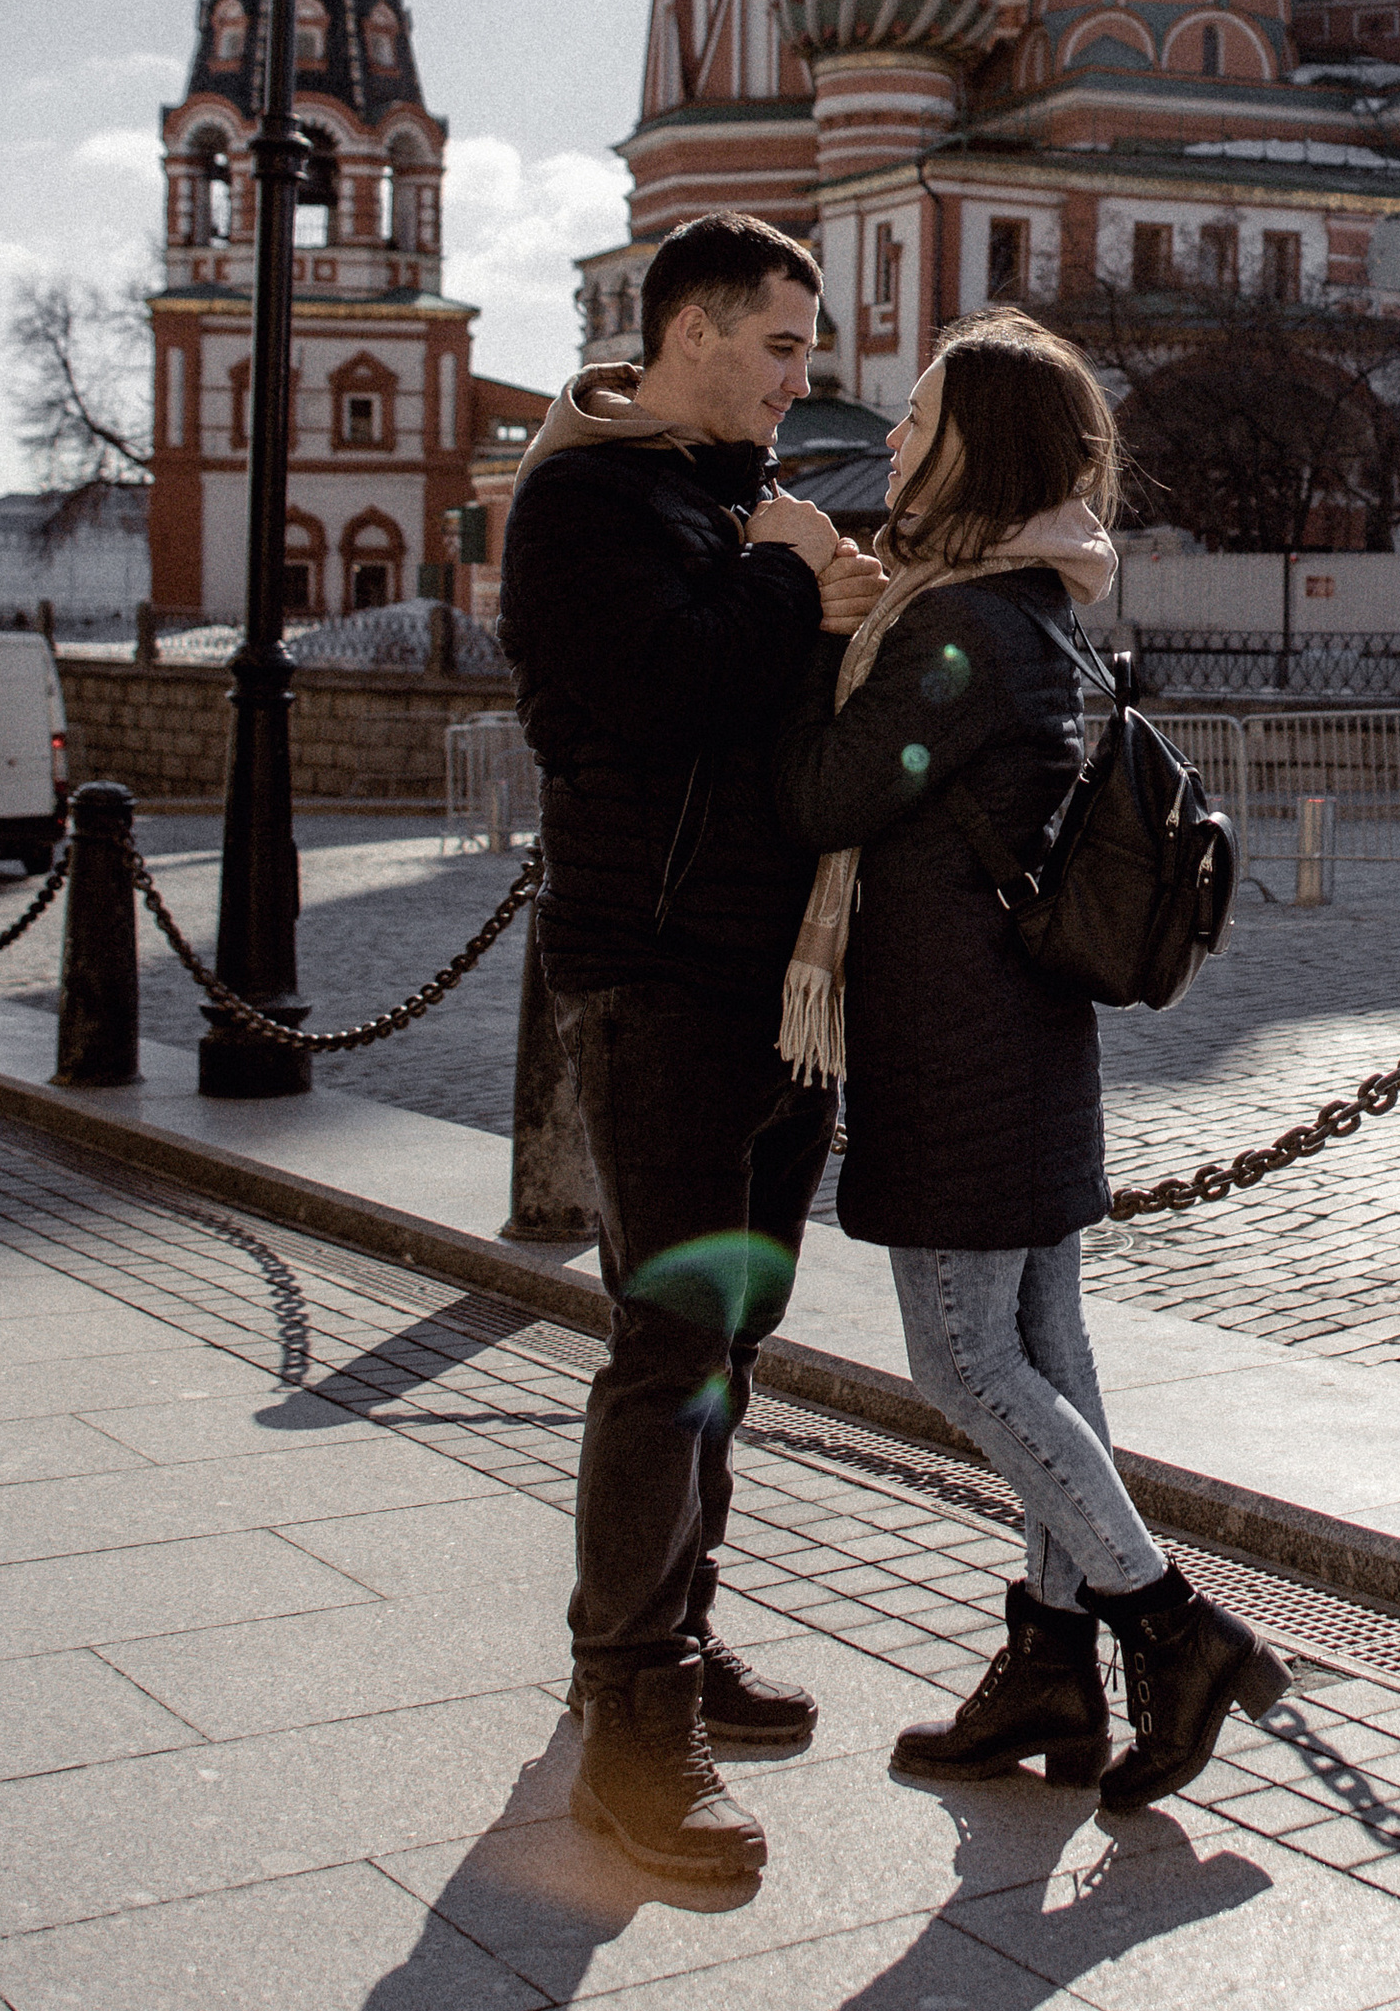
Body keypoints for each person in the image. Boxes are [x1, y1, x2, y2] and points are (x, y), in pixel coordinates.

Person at [774, 311, 1287, 1809]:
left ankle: (1166, 1625)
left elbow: (823, 798)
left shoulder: (955, 634)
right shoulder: (1036, 611)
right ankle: (1051, 1660)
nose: (891, 438)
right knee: (1046, 1351)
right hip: (1025, 1032)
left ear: (973, 445)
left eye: (917, 414)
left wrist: (808, 621)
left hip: (959, 1045)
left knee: (965, 1356)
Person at [500, 209, 880, 1885]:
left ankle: (677, 1634)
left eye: (809, 350)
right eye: (784, 347)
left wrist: (828, 597)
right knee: (669, 1342)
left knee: (734, 1335)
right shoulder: (586, 501)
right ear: (693, 335)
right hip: (655, 972)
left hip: (773, 976)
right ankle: (629, 1721)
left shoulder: (730, 503)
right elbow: (664, 688)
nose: (806, 380)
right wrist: (793, 581)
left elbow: (774, 693)